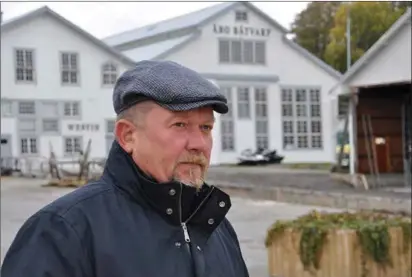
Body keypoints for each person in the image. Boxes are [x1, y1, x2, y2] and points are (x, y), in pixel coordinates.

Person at [1, 60, 250, 277]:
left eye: (205, 128)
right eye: (180, 125)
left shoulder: (216, 226)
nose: (199, 144)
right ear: (128, 135)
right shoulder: (63, 231)